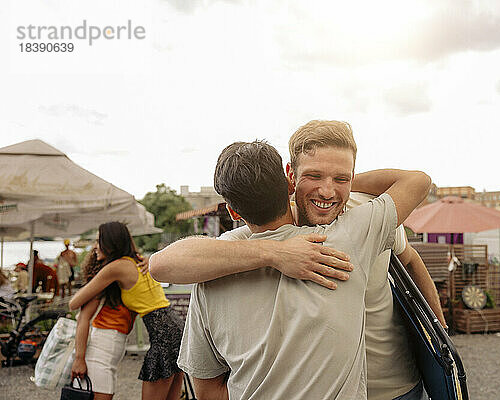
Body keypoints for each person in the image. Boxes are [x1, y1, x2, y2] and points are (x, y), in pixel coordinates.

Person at [151, 121, 443, 399]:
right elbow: (163, 263)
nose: (327, 191)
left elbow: (411, 260)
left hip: (392, 385)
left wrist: (441, 339)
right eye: (313, 176)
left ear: (233, 211)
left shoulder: (362, 210)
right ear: (290, 179)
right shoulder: (353, 235)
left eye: (341, 178)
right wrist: (277, 253)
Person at [69, 222, 184, 400]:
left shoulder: (117, 267)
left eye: (99, 241)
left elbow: (74, 302)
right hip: (174, 326)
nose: (94, 246)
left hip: (162, 331)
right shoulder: (138, 261)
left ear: (110, 242)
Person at [71, 246, 136, 400]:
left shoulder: (120, 281)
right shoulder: (103, 285)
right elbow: (83, 318)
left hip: (108, 349)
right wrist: (79, 359)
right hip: (99, 351)